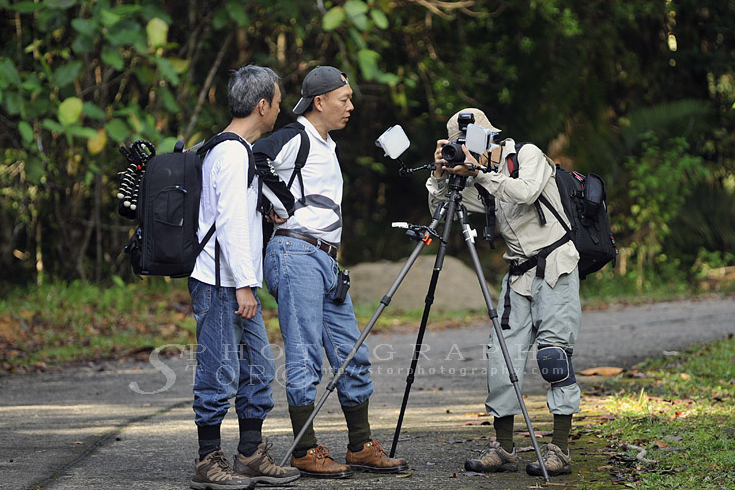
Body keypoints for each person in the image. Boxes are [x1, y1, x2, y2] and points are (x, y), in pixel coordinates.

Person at [253, 66, 409, 478]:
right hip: (294, 251)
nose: (351, 106)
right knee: (304, 354)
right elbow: (255, 157)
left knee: (351, 353)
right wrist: (279, 203)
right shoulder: (295, 135)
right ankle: (305, 450)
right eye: (345, 99)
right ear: (319, 101)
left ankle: (360, 446)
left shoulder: (328, 144)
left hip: (325, 259)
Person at [426, 108, 583, 477]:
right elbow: (442, 209)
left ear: (489, 136)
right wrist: (439, 176)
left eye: (472, 142)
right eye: (460, 145)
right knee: (501, 359)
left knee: (553, 356)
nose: (468, 150)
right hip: (517, 276)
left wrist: (481, 172)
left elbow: (525, 192)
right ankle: (504, 448)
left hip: (555, 265)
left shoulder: (527, 155)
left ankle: (559, 450)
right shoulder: (479, 179)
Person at [188, 64, 300, 490]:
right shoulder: (232, 153)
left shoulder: (232, 150)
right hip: (222, 282)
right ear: (262, 105)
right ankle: (207, 461)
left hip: (232, 278)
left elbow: (238, 216)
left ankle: (250, 454)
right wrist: (244, 285)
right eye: (277, 100)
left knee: (257, 368)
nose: (279, 108)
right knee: (218, 371)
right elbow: (231, 223)